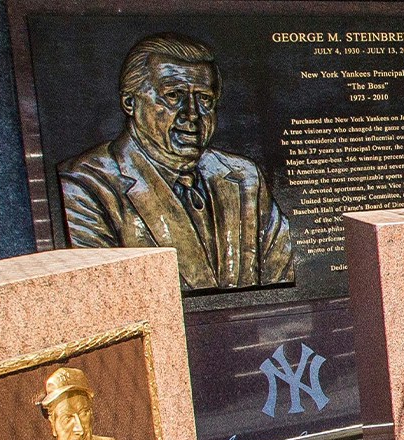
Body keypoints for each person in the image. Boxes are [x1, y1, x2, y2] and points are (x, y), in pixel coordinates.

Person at [57, 33, 294, 292]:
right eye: (173, 96)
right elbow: (104, 298)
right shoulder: (83, 188)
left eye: (204, 99)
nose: (192, 113)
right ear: (129, 102)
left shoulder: (245, 178)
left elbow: (283, 277)